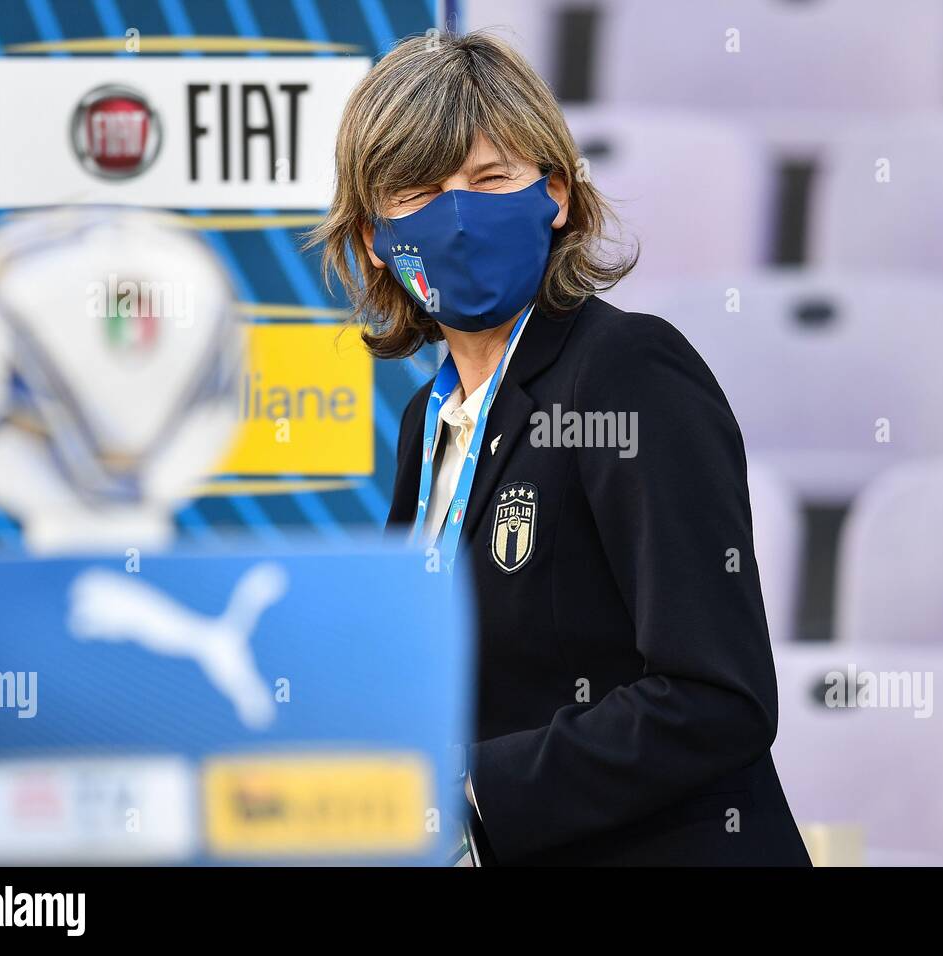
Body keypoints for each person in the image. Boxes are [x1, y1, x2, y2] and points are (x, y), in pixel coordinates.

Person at [315, 30, 810, 866]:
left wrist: (473, 794)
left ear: (558, 195)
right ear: (373, 237)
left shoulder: (627, 370)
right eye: (420, 191)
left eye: (491, 179)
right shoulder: (425, 425)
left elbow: (717, 694)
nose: (458, 215)